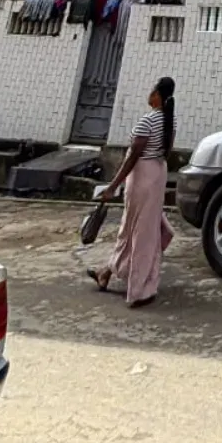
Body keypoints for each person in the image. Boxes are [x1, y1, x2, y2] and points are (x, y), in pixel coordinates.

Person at [88, 76, 175, 307]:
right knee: (145, 230)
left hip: (141, 179)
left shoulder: (148, 121)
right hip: (157, 175)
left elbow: (133, 156)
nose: (149, 93)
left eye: (152, 89)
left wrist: (112, 186)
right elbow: (166, 153)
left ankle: (138, 289)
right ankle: (108, 272)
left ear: (157, 95)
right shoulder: (169, 121)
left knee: (134, 231)